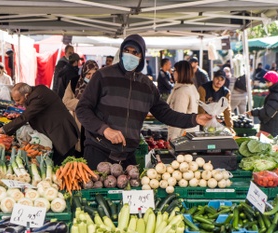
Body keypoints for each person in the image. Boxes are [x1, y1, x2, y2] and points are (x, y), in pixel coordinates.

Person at [75, 34, 212, 170]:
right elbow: (82, 109)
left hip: (127, 156)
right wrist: (105, 130)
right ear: (121, 52)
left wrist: (194, 118)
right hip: (98, 151)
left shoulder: (146, 85)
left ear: (141, 56)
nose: (130, 55)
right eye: (126, 51)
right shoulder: (102, 76)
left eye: (135, 52)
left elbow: (165, 113)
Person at [0, 83, 79, 165]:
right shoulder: (36, 92)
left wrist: (2, 130)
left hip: (62, 133)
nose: (17, 103)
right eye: (14, 100)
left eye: (18, 100)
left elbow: (25, 117)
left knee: (61, 164)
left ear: (26, 95)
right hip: (56, 131)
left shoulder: (39, 96)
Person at [63, 60, 99, 158]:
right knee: (79, 150)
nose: (91, 76)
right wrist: (82, 104)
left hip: (94, 123)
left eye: (94, 73)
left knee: (93, 151)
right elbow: (66, 101)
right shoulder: (74, 82)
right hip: (79, 122)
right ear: (83, 73)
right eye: (88, 73)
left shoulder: (101, 84)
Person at [246, 71, 278, 137]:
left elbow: (268, 112)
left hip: (274, 127)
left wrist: (253, 112)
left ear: (274, 81)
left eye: (268, 82)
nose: (266, 84)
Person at [166, 60, 199, 140]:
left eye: (174, 70)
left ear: (180, 72)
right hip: (190, 133)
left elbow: (178, 117)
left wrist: (173, 138)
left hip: (182, 137)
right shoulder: (191, 88)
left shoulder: (182, 91)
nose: (173, 73)